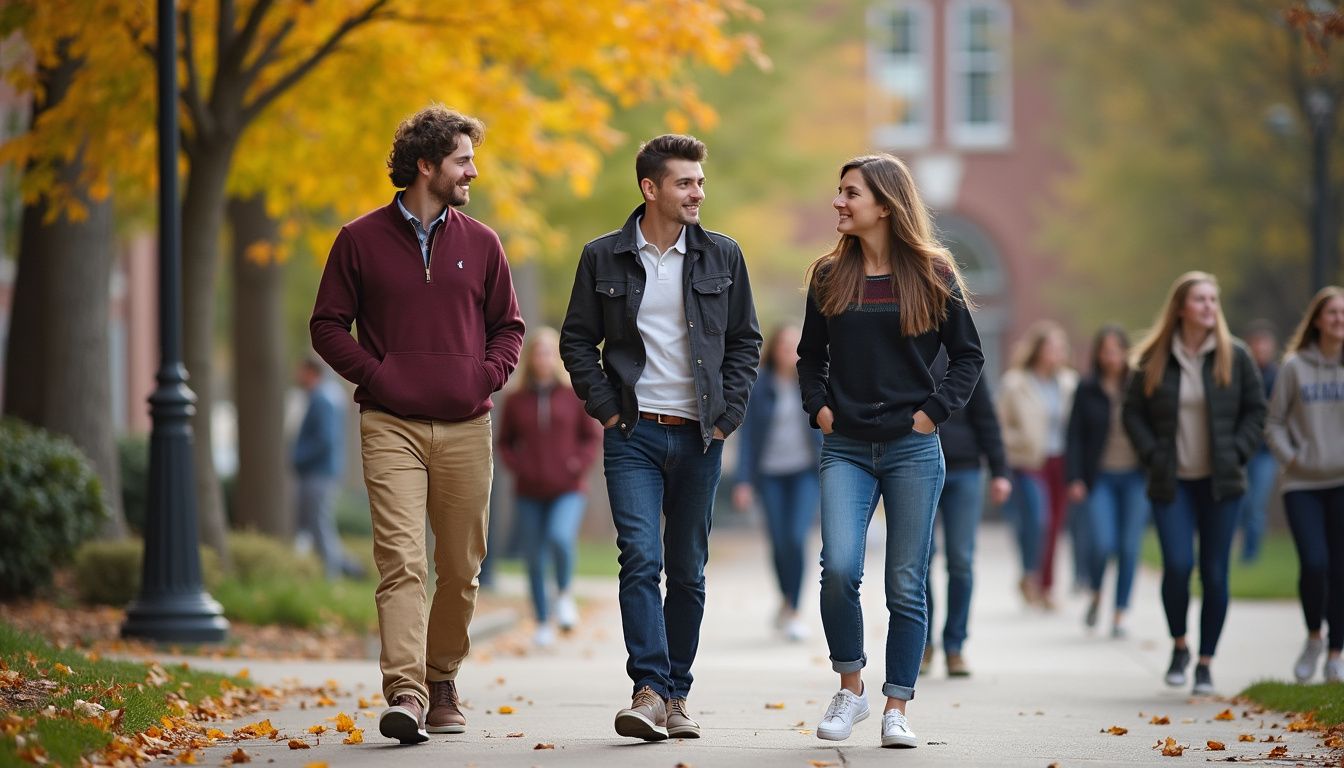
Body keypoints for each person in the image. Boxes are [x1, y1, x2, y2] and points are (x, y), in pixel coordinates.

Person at [310, 106, 525, 744]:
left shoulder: (483, 243)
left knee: (461, 567)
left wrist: (481, 376)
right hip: (390, 425)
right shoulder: (359, 239)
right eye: (463, 160)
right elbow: (326, 325)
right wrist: (379, 377)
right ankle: (405, 689)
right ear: (426, 165)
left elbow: (508, 328)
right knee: (402, 562)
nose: (473, 171)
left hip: (466, 424)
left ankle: (442, 677)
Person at [560, 134, 761, 742]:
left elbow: (745, 342)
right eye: (685, 182)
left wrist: (726, 416)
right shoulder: (603, 257)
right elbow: (576, 341)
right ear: (651, 188)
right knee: (641, 558)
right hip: (634, 435)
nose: (698, 191)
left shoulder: (724, 256)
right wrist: (608, 410)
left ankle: (678, 693)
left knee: (689, 571)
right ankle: (648, 690)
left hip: (701, 437)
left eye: (700, 181)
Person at [798, 153, 983, 749]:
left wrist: (932, 415)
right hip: (847, 447)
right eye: (839, 190)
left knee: (906, 582)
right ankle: (850, 689)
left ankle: (896, 705)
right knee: (840, 570)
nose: (839, 202)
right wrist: (820, 409)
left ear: (884, 203)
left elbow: (968, 356)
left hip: (911, 448)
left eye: (850, 193)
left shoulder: (934, 272)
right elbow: (808, 358)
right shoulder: (828, 275)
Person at [1123, 271, 1265, 696]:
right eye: (1201, 300)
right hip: (1173, 483)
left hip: (1220, 484)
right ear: (1181, 307)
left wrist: (1237, 451)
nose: (1209, 307)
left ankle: (1205, 662)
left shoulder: (1234, 355)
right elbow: (1132, 414)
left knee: (1215, 574)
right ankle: (1180, 647)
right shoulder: (1155, 358)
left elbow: (1256, 411)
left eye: (1213, 300)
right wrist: (1152, 453)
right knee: (1179, 566)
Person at [497, 327, 602, 648]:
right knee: (533, 557)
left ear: (555, 358)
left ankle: (565, 595)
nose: (542, 358)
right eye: (537, 352)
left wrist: (576, 464)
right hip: (529, 490)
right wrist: (520, 467)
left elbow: (592, 437)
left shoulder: (572, 395)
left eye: (548, 352)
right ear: (531, 358)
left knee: (559, 537)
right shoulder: (516, 400)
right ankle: (542, 621)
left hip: (568, 487)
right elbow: (504, 443)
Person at [1265, 286, 1344, 683]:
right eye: (1332, 312)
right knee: (1314, 564)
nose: (1338, 319)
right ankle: (1314, 635)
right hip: (1301, 484)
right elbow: (1274, 422)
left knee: (1340, 568)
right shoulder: (1295, 367)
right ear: (1317, 319)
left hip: (1342, 481)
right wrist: (1292, 457)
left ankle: (1335, 653)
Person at [921, 352, 1011, 678]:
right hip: (918, 469)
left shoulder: (961, 358)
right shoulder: (907, 351)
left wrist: (1000, 471)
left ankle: (955, 646)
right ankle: (923, 645)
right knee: (920, 559)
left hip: (965, 472)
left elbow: (986, 417)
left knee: (960, 560)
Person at [733, 324, 821, 643]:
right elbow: (747, 438)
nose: (790, 350)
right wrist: (743, 481)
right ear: (773, 349)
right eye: (784, 344)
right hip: (769, 474)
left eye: (795, 345)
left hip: (805, 473)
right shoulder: (759, 385)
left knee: (797, 538)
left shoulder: (812, 383)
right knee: (779, 541)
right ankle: (785, 598)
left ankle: (794, 608)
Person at [1066, 326, 1147, 638]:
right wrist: (1074, 477)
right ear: (1098, 354)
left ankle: (1119, 613)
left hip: (1135, 477)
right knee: (1102, 544)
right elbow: (1074, 436)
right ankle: (1098, 592)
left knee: (1129, 547)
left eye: (1117, 349)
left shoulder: (1139, 386)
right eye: (1105, 350)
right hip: (1099, 477)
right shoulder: (1087, 388)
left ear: (1126, 351)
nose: (1111, 356)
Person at [998, 321, 1078, 609]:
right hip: (1028, 461)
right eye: (1050, 347)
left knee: (1054, 525)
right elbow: (1002, 423)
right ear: (1037, 350)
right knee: (1038, 521)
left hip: (1061, 461)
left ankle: (1044, 587)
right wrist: (1016, 443)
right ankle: (1030, 573)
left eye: (1060, 348)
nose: (1056, 353)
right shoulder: (1016, 382)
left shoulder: (1069, 383)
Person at [292, 357, 364, 581]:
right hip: (321, 472)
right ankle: (340, 571)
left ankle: (337, 575)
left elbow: (324, 439)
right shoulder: (328, 396)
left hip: (318, 473)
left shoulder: (323, 399)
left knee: (319, 525)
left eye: (301, 370)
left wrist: (297, 457)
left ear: (311, 372)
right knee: (313, 525)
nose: (297, 376)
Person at [1237, 320, 1279, 563]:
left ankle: (1251, 556)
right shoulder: (1241, 374)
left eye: (1265, 346)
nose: (1260, 350)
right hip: (1243, 450)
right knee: (1241, 501)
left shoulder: (1279, 376)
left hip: (1265, 452)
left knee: (1256, 505)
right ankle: (1239, 549)